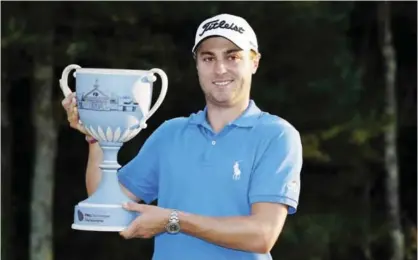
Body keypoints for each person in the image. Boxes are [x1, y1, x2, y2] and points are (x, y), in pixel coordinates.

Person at [62, 13, 303, 260]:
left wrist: (173, 220)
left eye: (232, 56)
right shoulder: (170, 133)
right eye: (208, 58)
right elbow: (107, 203)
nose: (220, 69)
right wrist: (97, 136)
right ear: (196, 64)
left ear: (254, 62)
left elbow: (262, 235)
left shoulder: (277, 135)